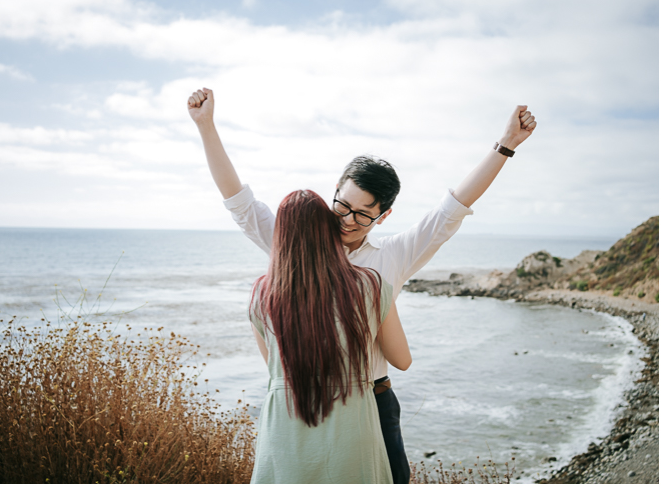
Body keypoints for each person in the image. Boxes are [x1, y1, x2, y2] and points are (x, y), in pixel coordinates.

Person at [187, 87, 537, 484]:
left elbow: (451, 210)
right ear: (334, 193)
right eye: (342, 205)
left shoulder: (391, 257)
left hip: (372, 396)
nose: (347, 220)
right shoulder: (296, 246)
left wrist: (505, 145)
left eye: (363, 214)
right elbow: (241, 204)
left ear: (383, 216)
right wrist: (206, 126)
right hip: (306, 398)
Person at [247, 189, 411, 483]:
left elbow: (275, 368)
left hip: (285, 429)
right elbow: (402, 360)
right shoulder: (370, 285)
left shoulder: (262, 293)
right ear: (328, 229)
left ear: (280, 237)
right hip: (353, 426)